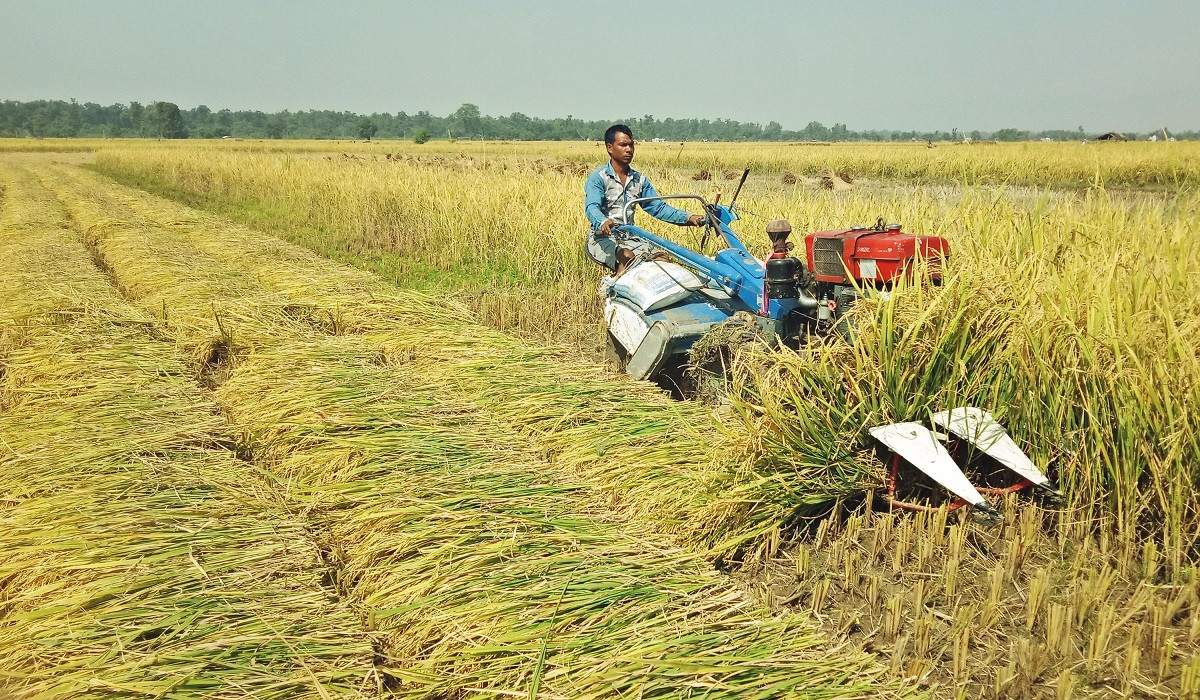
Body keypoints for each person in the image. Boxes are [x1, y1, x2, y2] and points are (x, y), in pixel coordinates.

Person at [584, 124, 703, 275]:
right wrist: (603, 221)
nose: (629, 149)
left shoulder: (639, 180)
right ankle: (614, 291)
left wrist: (689, 217)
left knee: (663, 260)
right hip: (602, 239)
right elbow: (591, 207)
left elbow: (658, 208)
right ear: (609, 148)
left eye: (631, 145)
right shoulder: (599, 178)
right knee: (627, 258)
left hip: (632, 239)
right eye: (623, 145)